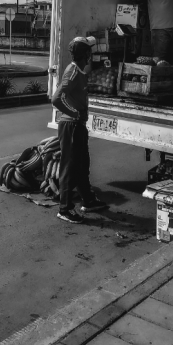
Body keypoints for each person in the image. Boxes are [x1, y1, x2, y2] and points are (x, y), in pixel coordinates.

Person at [52, 36, 107, 223]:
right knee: (70, 167)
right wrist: (74, 113)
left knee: (83, 164)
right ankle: (65, 209)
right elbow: (56, 98)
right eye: (90, 51)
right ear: (86, 54)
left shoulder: (78, 71)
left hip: (77, 126)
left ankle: (88, 200)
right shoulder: (73, 72)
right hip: (71, 126)